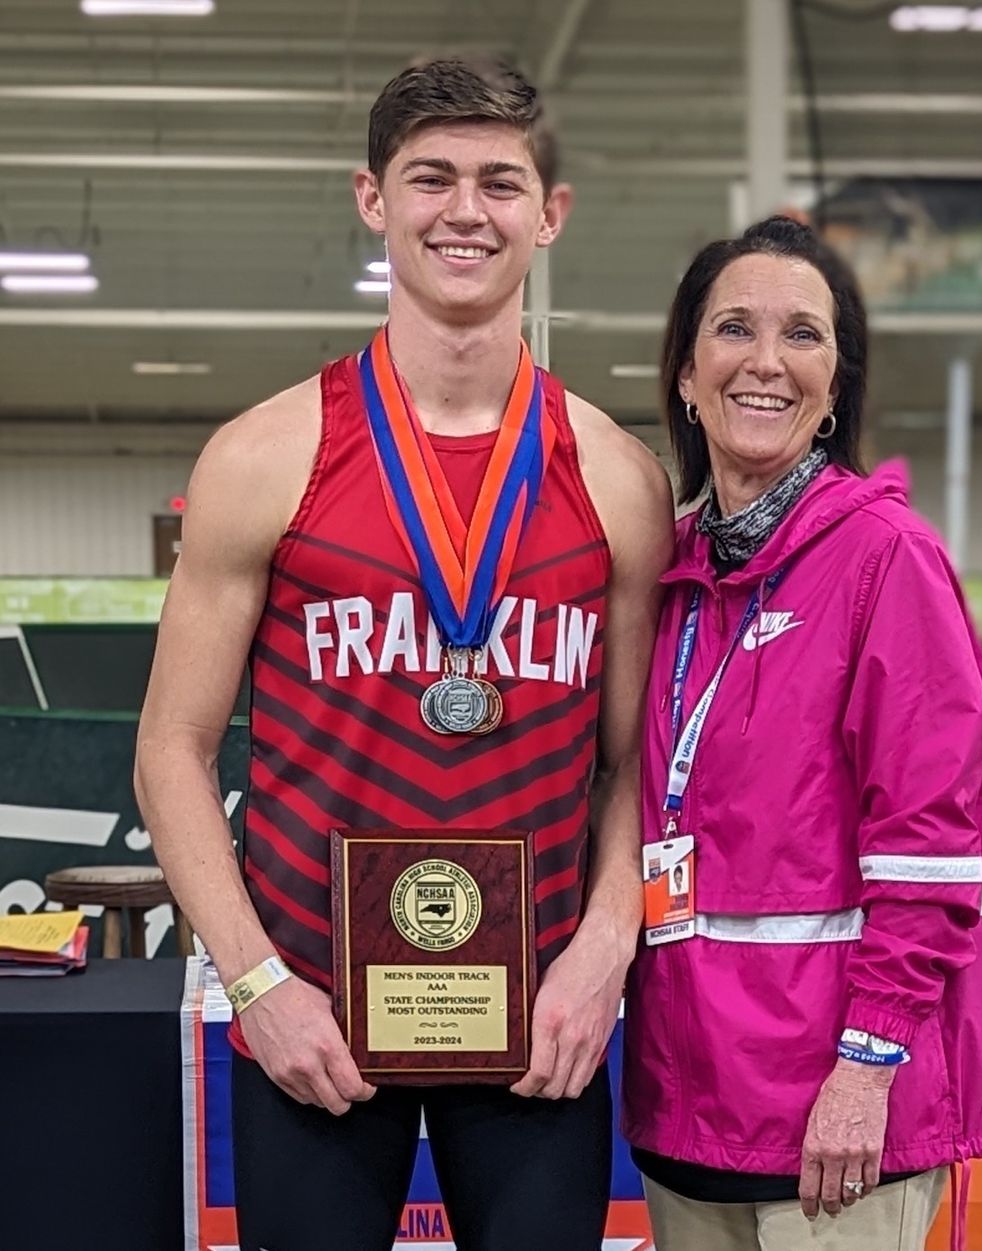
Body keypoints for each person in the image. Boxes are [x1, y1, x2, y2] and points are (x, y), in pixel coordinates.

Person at [134, 57, 673, 1251]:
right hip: (315, 1020)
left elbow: (636, 765)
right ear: (373, 199)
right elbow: (170, 749)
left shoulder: (621, 480)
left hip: (538, 1018)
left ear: (551, 212)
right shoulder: (265, 456)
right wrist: (256, 985)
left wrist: (603, 950)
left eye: (500, 181)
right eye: (429, 178)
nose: (464, 211)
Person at [622, 216, 982, 1251]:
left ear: (836, 388)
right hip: (686, 1107)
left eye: (803, 335)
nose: (766, 362)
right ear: (685, 373)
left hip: (838, 1126)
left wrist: (869, 1064)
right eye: (734, 330)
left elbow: (934, 845)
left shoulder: (886, 561)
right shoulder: (665, 577)